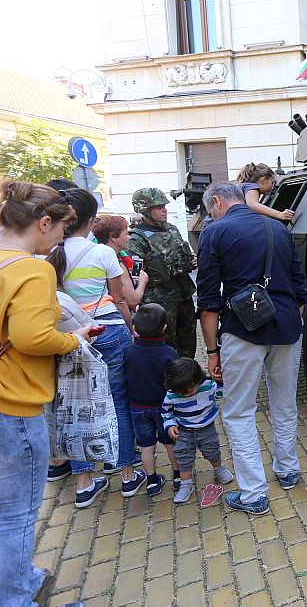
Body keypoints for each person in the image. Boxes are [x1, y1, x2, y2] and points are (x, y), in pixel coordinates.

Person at [0, 180, 87, 607]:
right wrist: (73, 338)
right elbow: (33, 338)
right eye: (61, 229)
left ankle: (18, 580)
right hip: (10, 407)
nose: (61, 239)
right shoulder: (32, 271)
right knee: (16, 520)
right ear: (43, 223)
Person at [197, 181, 307, 515]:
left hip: (241, 329)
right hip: (288, 326)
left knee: (239, 411)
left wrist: (212, 351)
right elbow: (300, 286)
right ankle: (287, 469)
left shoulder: (214, 233)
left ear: (216, 202)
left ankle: (253, 494)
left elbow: (208, 301)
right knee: (285, 402)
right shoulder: (279, 227)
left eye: (208, 210)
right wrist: (286, 316)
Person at [45, 189, 144, 508]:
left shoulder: (49, 255)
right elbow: (118, 299)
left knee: (74, 406)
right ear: (90, 220)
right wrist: (131, 328)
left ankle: (84, 484)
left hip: (70, 335)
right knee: (118, 400)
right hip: (108, 330)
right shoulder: (102, 254)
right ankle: (127, 474)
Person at [127, 188, 197, 358]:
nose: (164, 209)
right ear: (144, 210)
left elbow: (183, 255)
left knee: (189, 338)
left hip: (183, 295)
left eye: (164, 206)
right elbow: (136, 274)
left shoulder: (172, 229)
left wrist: (192, 261)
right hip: (159, 302)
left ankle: (189, 376)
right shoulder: (136, 238)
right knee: (167, 343)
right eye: (158, 207)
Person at [124, 304, 181, 497]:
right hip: (163, 407)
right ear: (164, 327)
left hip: (137, 407)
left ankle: (152, 481)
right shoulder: (169, 353)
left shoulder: (128, 352)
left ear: (134, 327)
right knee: (170, 443)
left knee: (146, 446)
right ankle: (178, 474)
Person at [162, 357, 234, 504]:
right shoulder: (172, 393)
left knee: (212, 450)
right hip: (183, 430)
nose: (184, 394)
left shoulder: (208, 385)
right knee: (183, 456)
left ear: (197, 380)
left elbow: (221, 393)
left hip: (206, 428)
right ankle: (186, 483)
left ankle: (218, 468)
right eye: (180, 392)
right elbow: (166, 411)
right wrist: (170, 424)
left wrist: (221, 380)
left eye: (188, 391)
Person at [93, 214, 149, 308]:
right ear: (113, 237)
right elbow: (132, 300)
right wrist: (143, 281)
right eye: (126, 234)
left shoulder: (97, 257)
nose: (129, 238)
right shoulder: (116, 264)